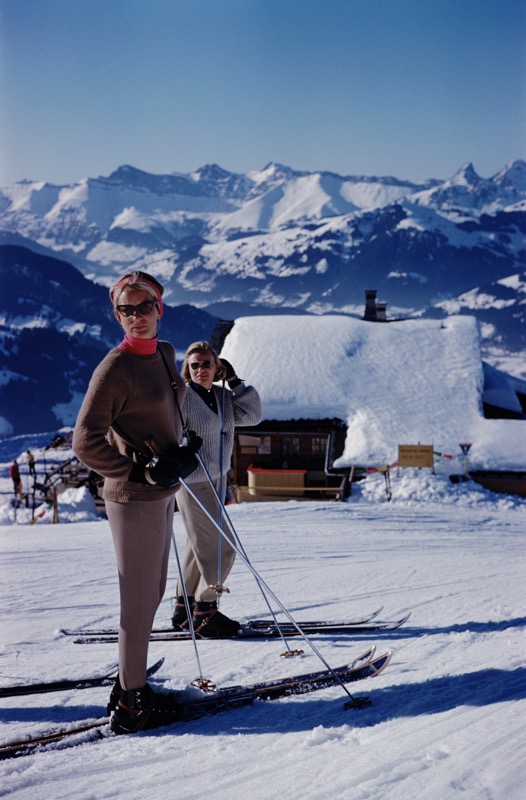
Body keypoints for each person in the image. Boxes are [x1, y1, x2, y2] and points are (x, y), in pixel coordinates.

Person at [72, 270, 201, 735]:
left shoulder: (166, 355)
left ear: (159, 308)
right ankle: (132, 703)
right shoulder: (115, 367)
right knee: (138, 597)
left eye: (143, 307)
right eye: (125, 310)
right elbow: (84, 441)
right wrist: (136, 470)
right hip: (133, 497)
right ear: (115, 313)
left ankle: (132, 682)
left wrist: (179, 450)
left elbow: (167, 410)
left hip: (162, 491)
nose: (135, 318)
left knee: (154, 591)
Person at [171, 341, 262, 637]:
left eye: (206, 364)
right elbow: (165, 429)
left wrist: (235, 383)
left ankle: (184, 610)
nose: (200, 370)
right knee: (223, 548)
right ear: (187, 368)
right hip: (193, 481)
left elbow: (253, 416)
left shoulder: (222, 397)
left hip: (216, 479)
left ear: (217, 366)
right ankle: (205, 609)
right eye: (194, 365)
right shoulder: (181, 397)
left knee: (198, 547)